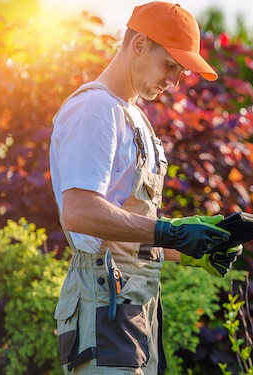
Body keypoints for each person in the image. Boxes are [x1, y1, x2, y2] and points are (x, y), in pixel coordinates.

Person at [49, 2, 242, 374]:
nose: (175, 80)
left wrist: (187, 247)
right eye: (171, 65)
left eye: (181, 71)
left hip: (135, 304)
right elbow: (79, 211)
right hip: (102, 301)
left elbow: (126, 227)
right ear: (138, 44)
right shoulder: (95, 110)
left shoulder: (134, 116)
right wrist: (168, 233)